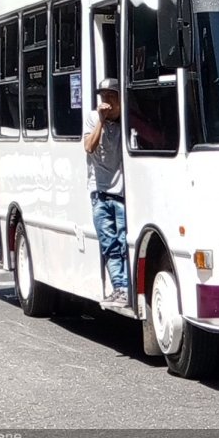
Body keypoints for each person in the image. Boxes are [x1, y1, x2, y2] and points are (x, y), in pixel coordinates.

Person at [84, 78, 128, 307]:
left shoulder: (127, 120)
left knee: (123, 242)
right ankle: (119, 288)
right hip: (99, 192)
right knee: (109, 244)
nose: (106, 102)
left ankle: (126, 288)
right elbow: (88, 147)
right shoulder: (93, 118)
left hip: (121, 193)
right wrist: (101, 121)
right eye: (103, 97)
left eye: (111, 96)